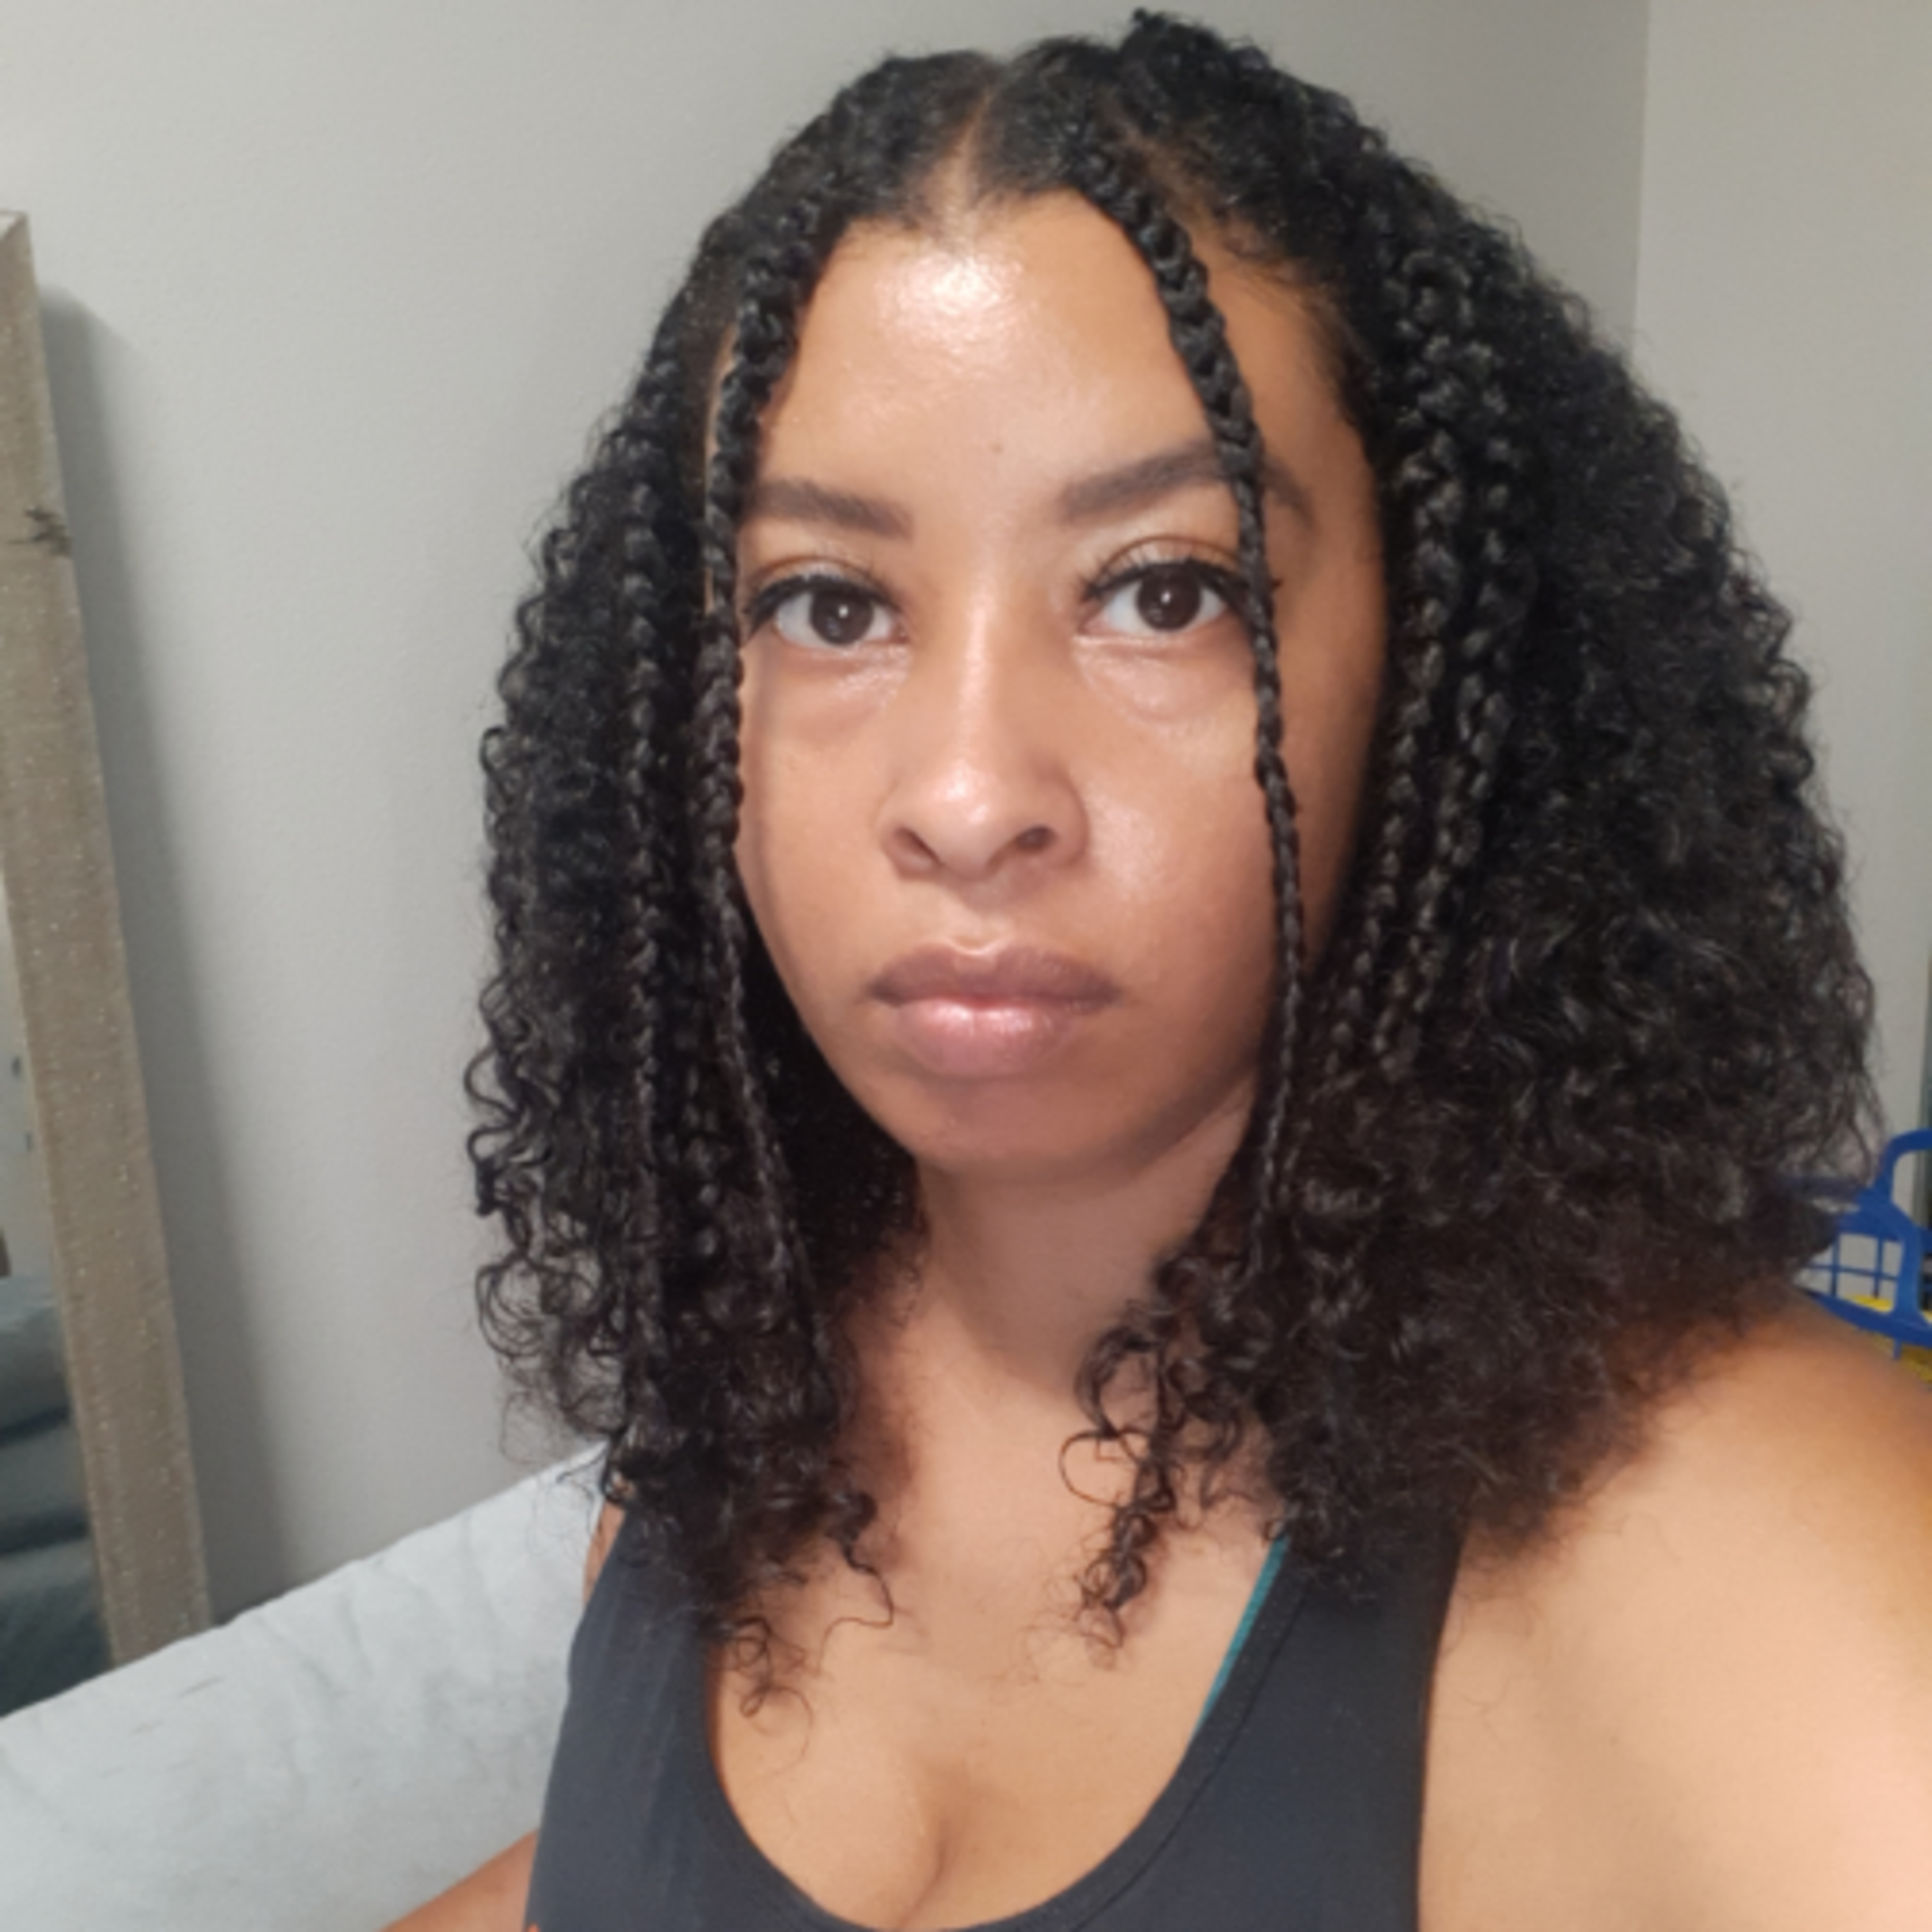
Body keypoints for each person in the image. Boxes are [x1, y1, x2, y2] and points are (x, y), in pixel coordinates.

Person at [391, 14, 1932, 1929]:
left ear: (1444, 686)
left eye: (1163, 591)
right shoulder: (734, 1399)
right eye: (830, 605)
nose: (966, 798)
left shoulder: (1752, 1561)